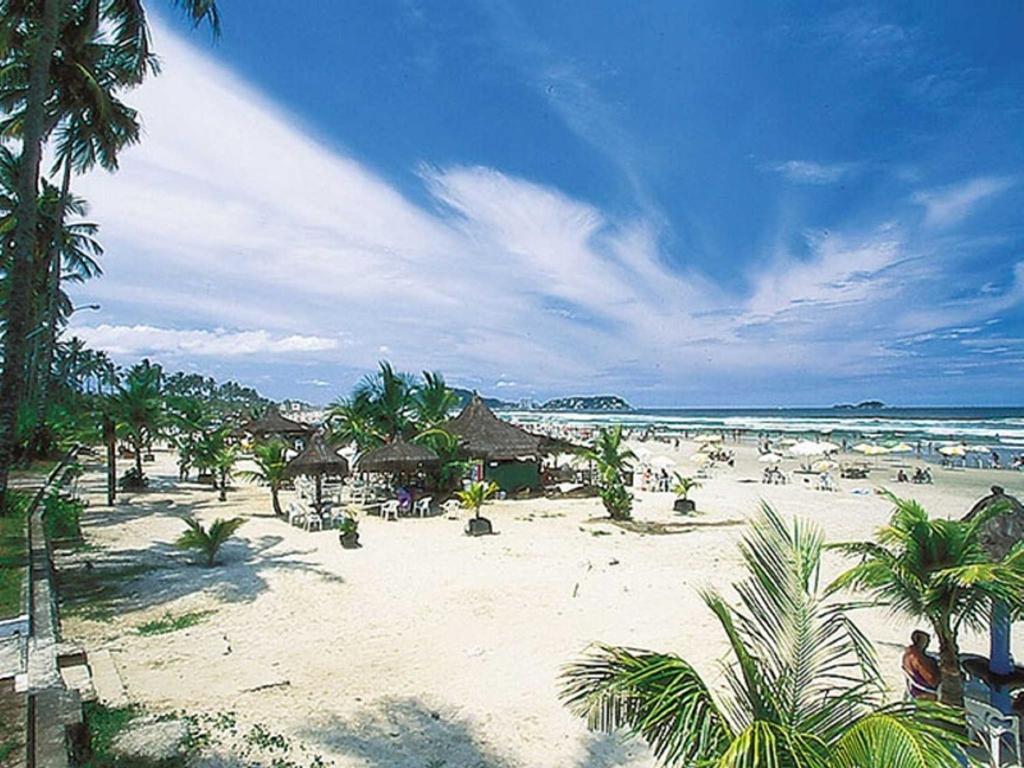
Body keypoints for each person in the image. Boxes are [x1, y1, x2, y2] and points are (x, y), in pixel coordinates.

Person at [902, 630, 940, 700]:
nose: (928, 643)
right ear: (921, 641)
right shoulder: (918, 657)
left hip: (915, 687)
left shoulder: (908, 654)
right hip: (924, 690)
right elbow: (932, 680)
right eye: (927, 640)